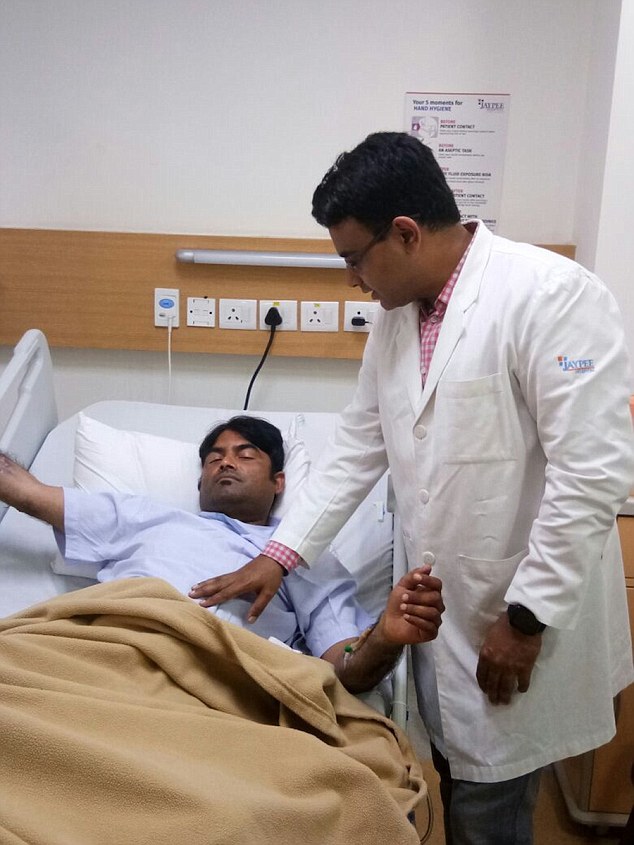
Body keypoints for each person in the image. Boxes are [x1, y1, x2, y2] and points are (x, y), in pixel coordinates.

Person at [189, 133, 634, 845]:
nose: (350, 279)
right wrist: (280, 552)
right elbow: (358, 447)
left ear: (404, 232)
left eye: (353, 257)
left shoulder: (550, 296)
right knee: (457, 785)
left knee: (490, 813)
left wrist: (525, 621)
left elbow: (592, 475)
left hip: (521, 611)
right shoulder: (397, 321)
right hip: (441, 607)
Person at [0, 414, 443, 695]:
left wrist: (384, 637)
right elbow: (25, 491)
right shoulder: (144, 516)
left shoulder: (307, 559)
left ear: (279, 483)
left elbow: (345, 671)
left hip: (219, 683)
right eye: (214, 459)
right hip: (107, 651)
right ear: (198, 484)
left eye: (244, 455)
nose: (225, 463)